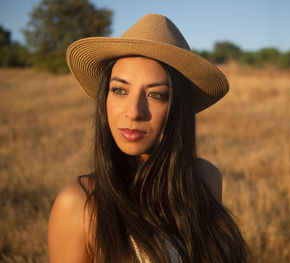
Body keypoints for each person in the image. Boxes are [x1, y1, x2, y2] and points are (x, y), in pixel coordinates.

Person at [48, 13, 247, 263]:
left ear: (179, 108)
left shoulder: (206, 178)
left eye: (156, 95)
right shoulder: (80, 203)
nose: (133, 112)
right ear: (105, 99)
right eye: (119, 90)